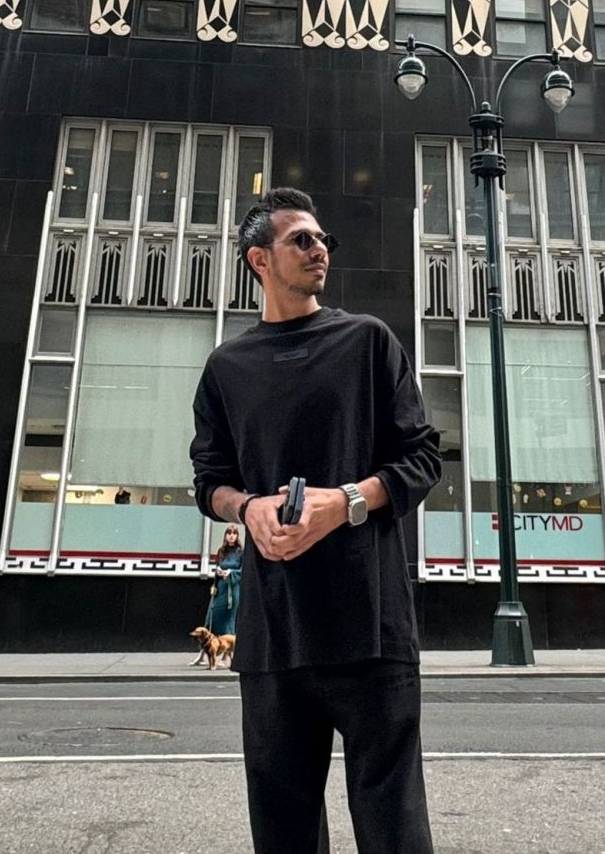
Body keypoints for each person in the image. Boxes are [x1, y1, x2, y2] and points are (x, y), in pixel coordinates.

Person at [189, 187, 442, 854]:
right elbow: (209, 479)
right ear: (258, 259)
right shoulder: (226, 367)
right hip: (273, 636)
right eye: (302, 238)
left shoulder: (367, 341)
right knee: (284, 831)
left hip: (371, 625)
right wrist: (248, 507)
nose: (320, 248)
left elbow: (422, 456)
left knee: (394, 830)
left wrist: (347, 501)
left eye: (323, 238)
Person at [190, 526, 245, 667]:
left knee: (228, 621)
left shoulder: (241, 552)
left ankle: (225, 657)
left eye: (234, 533)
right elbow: (217, 567)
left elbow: (243, 570)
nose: (231, 536)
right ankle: (204, 654)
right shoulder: (222, 551)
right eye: (229, 533)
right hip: (220, 589)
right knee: (211, 618)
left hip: (232, 590)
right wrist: (219, 572)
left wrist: (231, 573)